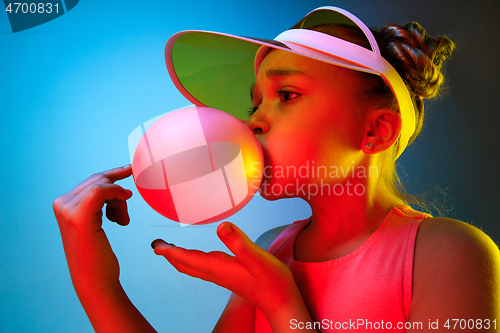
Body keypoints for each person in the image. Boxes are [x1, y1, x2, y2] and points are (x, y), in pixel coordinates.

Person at [53, 6, 499, 333]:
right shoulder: (272, 250)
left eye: (286, 94)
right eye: (255, 103)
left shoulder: (450, 254)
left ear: (377, 130)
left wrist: (282, 304)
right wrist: (97, 281)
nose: (251, 121)